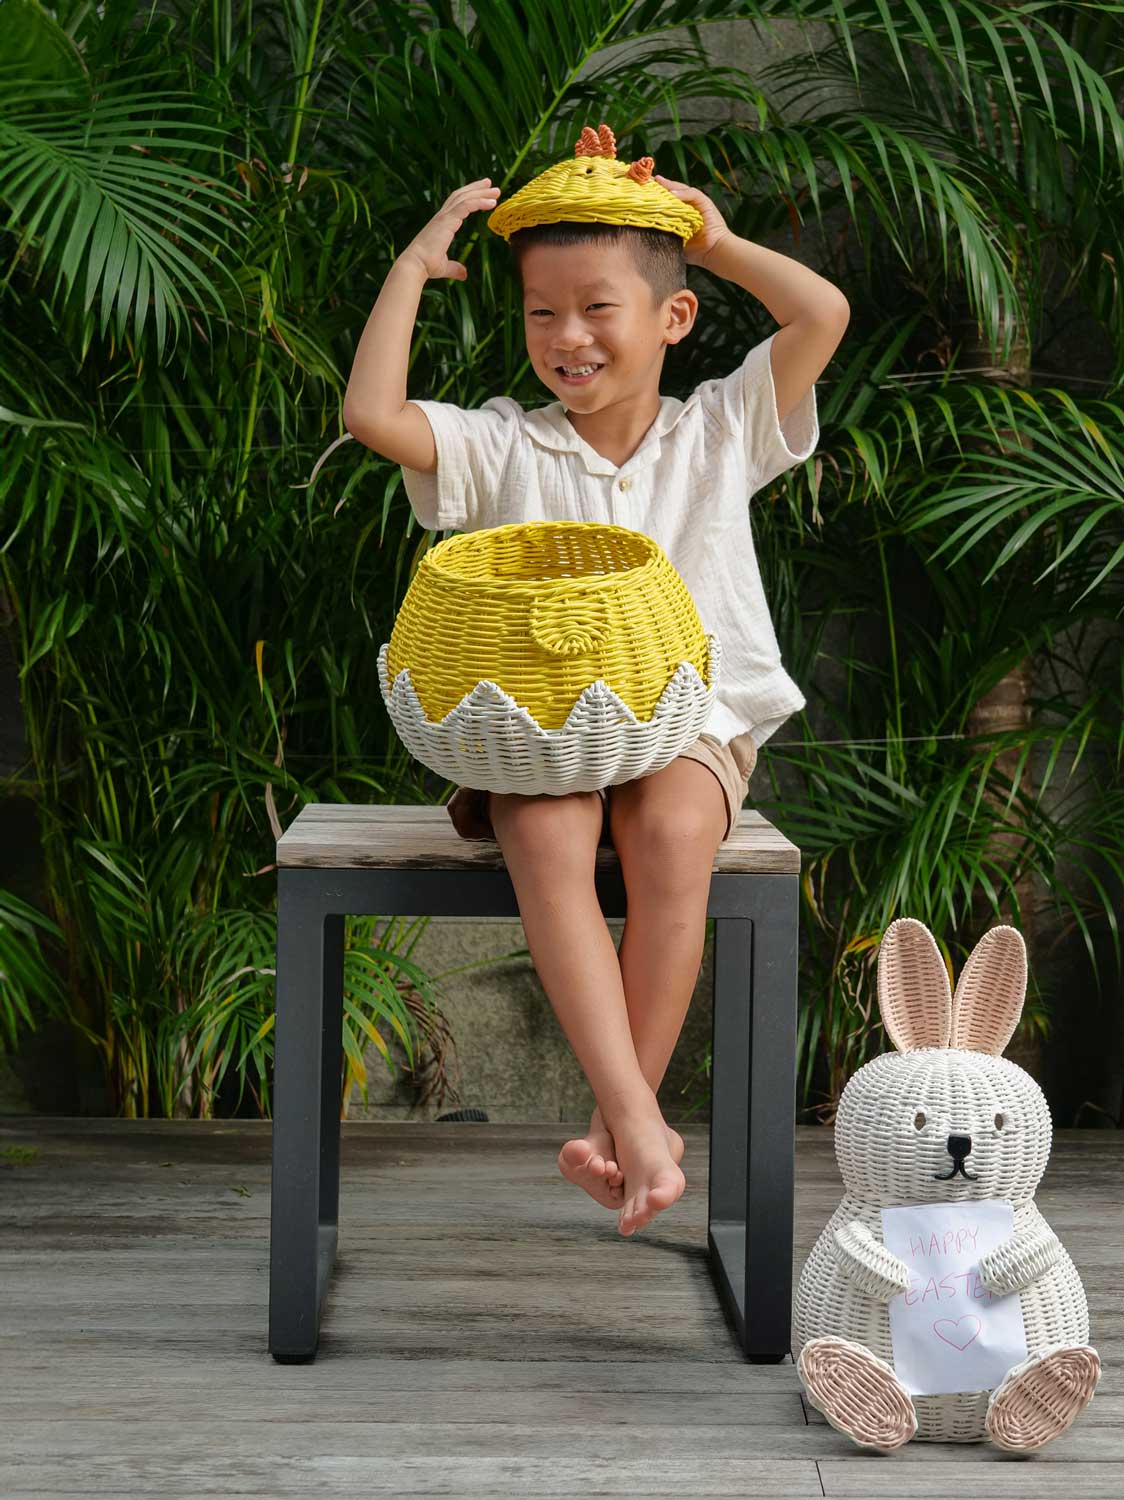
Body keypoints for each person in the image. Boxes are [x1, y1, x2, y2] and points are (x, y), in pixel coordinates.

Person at [342, 129, 849, 1238]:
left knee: (671, 830)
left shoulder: (722, 428)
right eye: (541, 313)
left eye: (597, 308)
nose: (566, 336)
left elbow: (821, 314)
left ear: (673, 317)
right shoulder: (502, 446)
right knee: (545, 826)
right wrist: (412, 269)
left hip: (692, 721)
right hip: (541, 733)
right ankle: (639, 1124)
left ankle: (620, 1124)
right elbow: (373, 416)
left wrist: (717, 245)